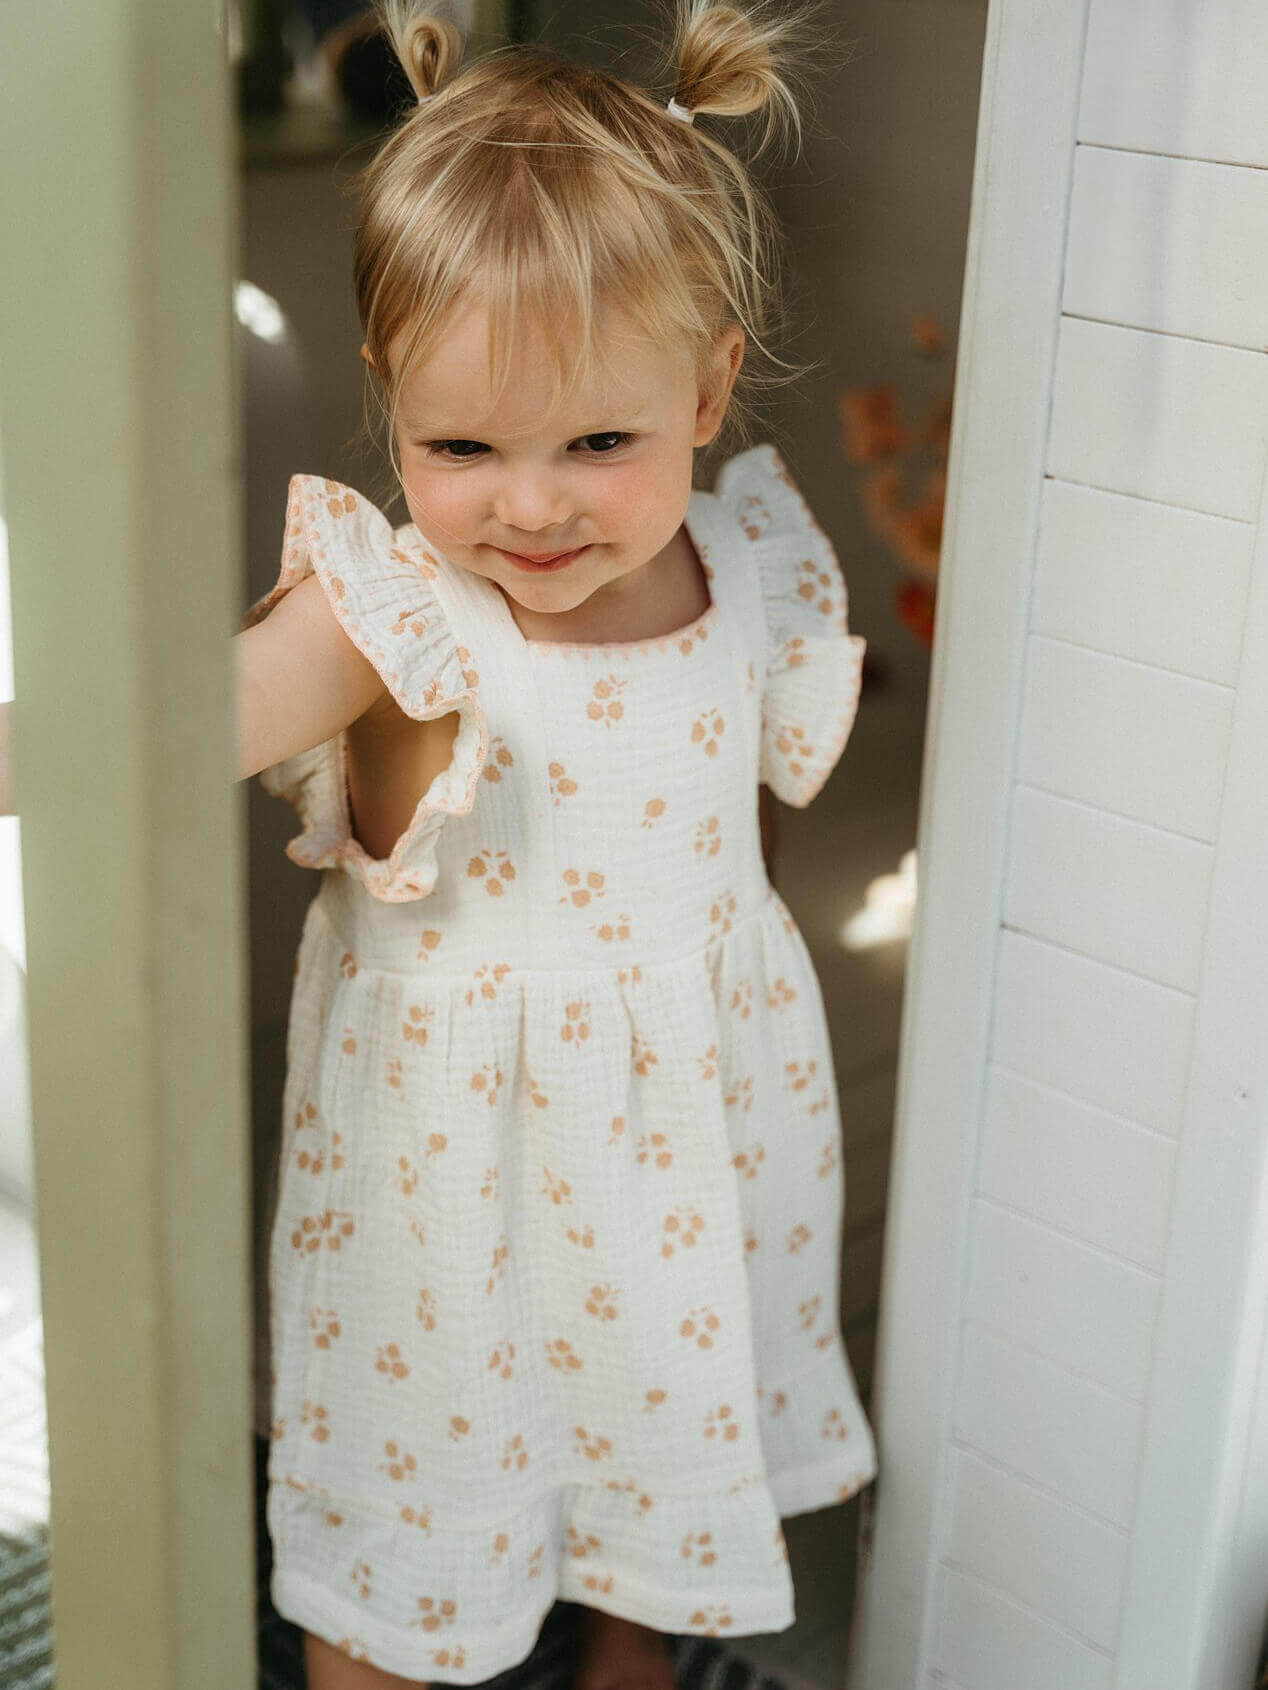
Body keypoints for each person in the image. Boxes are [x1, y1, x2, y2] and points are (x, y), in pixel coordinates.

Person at [235, 1, 878, 1685]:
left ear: (711, 383)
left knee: (656, 1458)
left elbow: (730, 850)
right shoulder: (388, 619)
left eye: (600, 440)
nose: (532, 506)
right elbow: (145, 737)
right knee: (404, 1520)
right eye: (462, 448)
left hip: (682, 1150)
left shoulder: (745, 569)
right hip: (445, 1195)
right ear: (390, 401)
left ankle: (625, 1658)